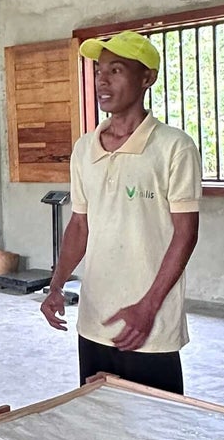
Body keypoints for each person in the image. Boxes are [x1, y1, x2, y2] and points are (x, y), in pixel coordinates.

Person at [41, 31, 202, 393]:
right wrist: (56, 285)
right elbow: (79, 225)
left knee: (155, 420)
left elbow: (185, 234)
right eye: (99, 71)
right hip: (94, 320)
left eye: (116, 70)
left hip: (150, 327)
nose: (102, 80)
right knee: (98, 416)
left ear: (147, 78)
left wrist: (148, 308)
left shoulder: (174, 147)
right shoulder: (85, 149)